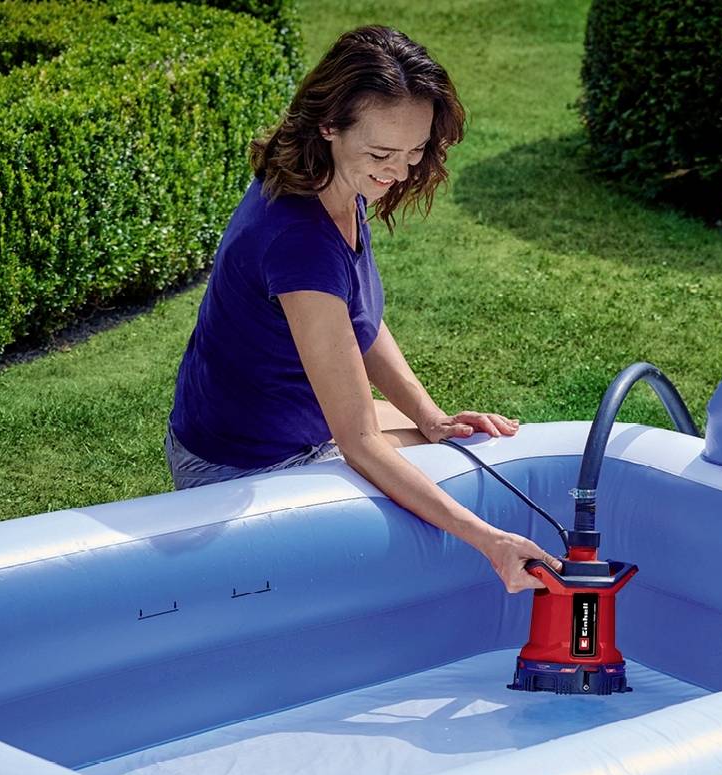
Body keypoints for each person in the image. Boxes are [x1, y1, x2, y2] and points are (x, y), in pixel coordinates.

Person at [166, 25, 558, 592]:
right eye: (381, 154)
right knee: (439, 508)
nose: (399, 172)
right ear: (329, 124)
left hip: (279, 429)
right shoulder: (300, 240)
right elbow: (359, 442)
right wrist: (490, 543)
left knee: (466, 452)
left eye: (415, 151)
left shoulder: (330, 182)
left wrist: (428, 414)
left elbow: (358, 320)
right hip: (242, 470)